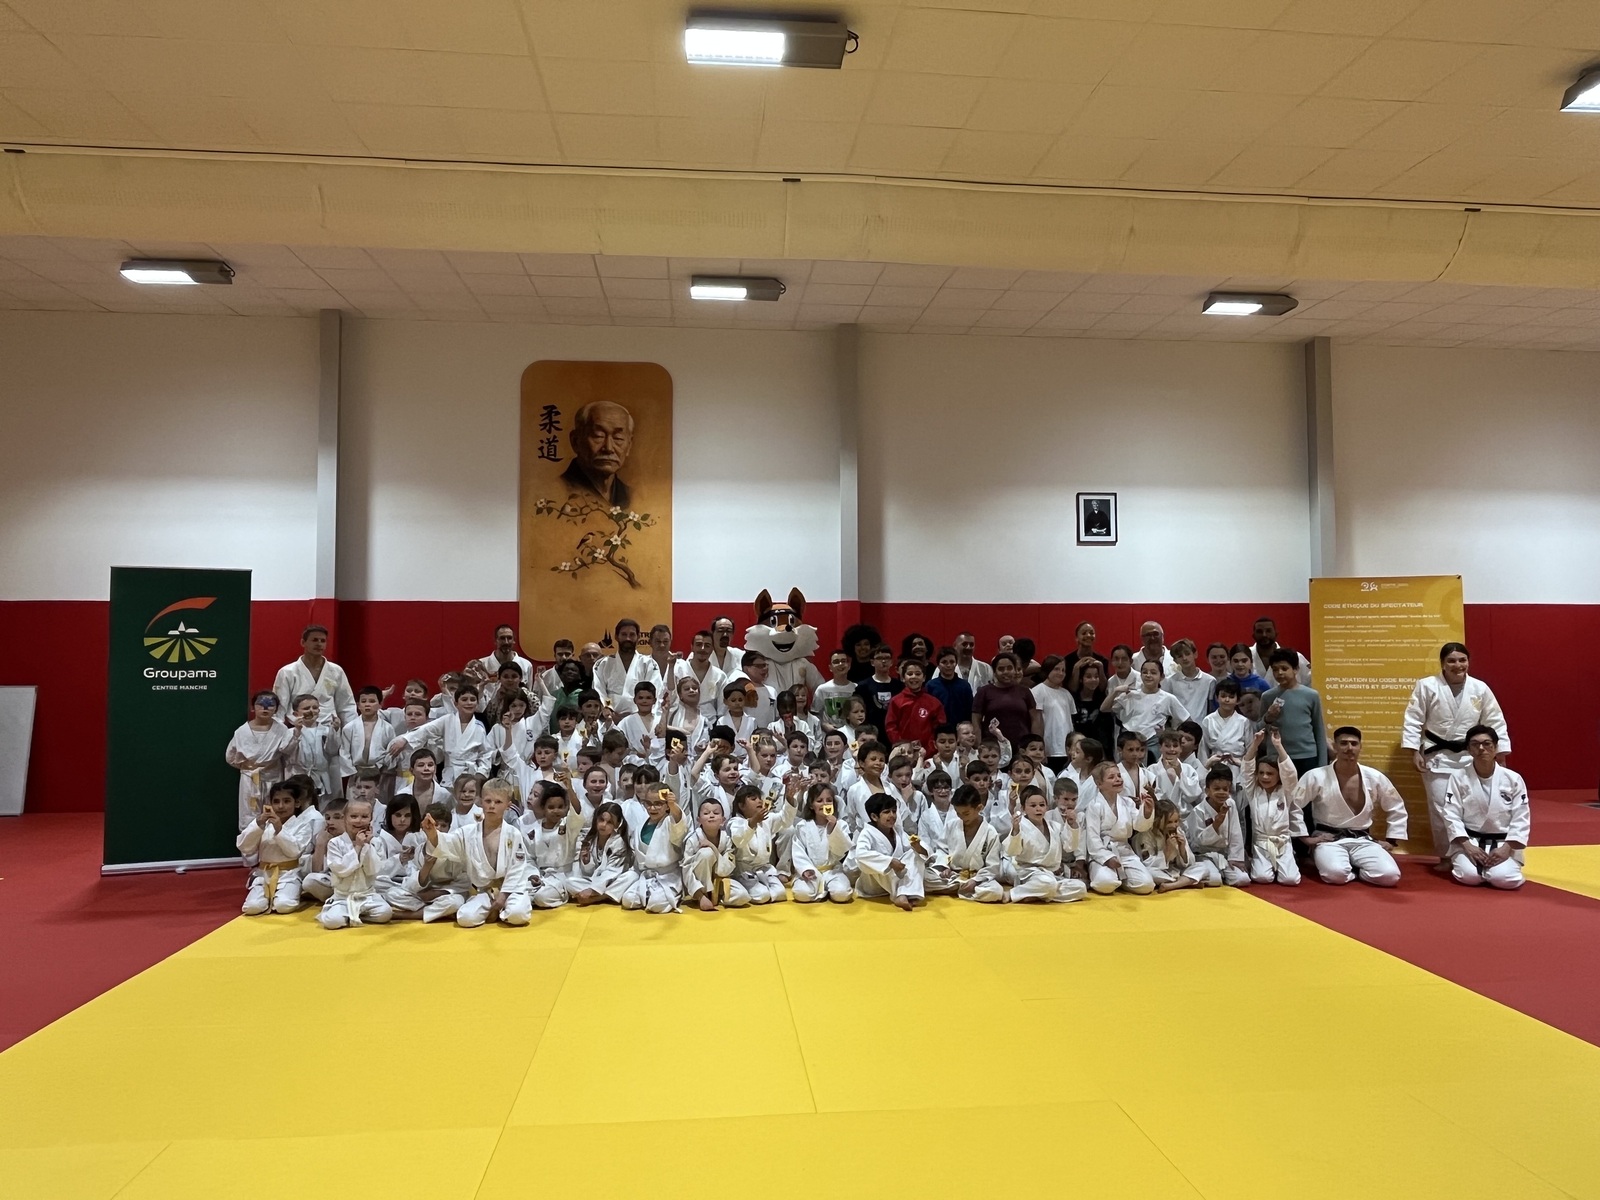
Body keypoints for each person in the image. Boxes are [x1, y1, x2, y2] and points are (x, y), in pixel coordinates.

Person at [1401, 642, 1511, 860]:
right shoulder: (1427, 686)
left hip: (1471, 756)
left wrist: (1500, 753)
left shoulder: (1480, 688)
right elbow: (1413, 718)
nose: (1457, 665)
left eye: (1462, 660)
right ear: (1442, 663)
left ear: (1468, 662)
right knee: (1441, 809)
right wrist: (1414, 750)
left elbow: (1494, 721)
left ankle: (1469, 853)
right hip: (1437, 757)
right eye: (1451, 661)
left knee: (1471, 807)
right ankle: (1445, 855)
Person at [1295, 727, 1406, 887]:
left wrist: (1392, 840)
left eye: (1354, 744)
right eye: (1343, 743)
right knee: (1335, 875)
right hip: (1328, 839)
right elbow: (1293, 806)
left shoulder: (1374, 777)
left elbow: (1396, 806)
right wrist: (1305, 838)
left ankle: (1354, 869)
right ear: (1335, 747)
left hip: (1363, 839)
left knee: (1390, 876)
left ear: (1360, 747)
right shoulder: (1315, 776)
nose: (1349, 748)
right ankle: (1342, 865)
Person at [421, 778, 534, 927]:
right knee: (465, 918)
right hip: (486, 890)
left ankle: (503, 909)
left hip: (511, 889)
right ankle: (496, 909)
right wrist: (432, 834)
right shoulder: (468, 832)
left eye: (498, 802)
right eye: (488, 801)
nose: (492, 806)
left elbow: (517, 868)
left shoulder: (513, 834)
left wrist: (503, 895)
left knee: (517, 914)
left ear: (508, 805)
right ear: (480, 802)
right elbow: (447, 843)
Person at [1441, 725, 1529, 890]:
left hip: (1503, 842)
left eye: (1487, 744)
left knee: (1504, 879)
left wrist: (1506, 849)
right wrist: (1468, 846)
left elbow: (1521, 816)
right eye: (1475, 744)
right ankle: (1474, 865)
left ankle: (1497, 869)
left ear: (1496, 747)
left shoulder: (1513, 779)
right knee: (1469, 877)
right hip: (1469, 841)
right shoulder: (1458, 777)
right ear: (1468, 749)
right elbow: (1451, 814)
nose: (1481, 748)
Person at [236, 781, 319, 915]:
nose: (281, 806)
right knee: (252, 907)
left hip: (289, 874)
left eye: (286, 801)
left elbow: (294, 852)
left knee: (283, 905)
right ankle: (257, 885)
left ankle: (292, 892)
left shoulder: (302, 825)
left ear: (297, 803)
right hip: (264, 874)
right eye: (276, 801)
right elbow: (244, 847)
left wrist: (279, 829)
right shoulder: (263, 823)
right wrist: (258, 825)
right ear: (270, 803)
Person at [389, 683, 490, 785]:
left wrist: (481, 773)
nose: (469, 703)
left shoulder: (479, 727)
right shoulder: (447, 720)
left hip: (470, 775)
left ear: (477, 703)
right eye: (464, 699)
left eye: (472, 700)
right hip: (450, 774)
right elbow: (425, 730)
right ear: (455, 703)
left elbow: (486, 753)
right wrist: (405, 739)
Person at [317, 795, 394, 928]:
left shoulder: (375, 842)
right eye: (353, 816)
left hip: (367, 896)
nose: (359, 821)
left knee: (385, 913)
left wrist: (366, 845)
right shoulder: (335, 843)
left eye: (364, 817)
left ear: (371, 818)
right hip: (343, 897)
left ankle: (354, 915)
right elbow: (341, 870)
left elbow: (372, 870)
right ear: (345, 818)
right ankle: (351, 914)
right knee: (332, 922)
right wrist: (358, 847)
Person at [1082, 762, 1155, 895]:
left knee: (1147, 886)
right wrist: (1107, 858)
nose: (1118, 779)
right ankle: (1113, 877)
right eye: (1111, 777)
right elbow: (1092, 838)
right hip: (1102, 853)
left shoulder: (1128, 802)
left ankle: (1122, 880)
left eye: (1119, 776)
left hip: (1124, 851)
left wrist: (1146, 812)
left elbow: (1140, 827)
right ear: (1099, 784)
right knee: (1105, 884)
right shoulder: (1094, 806)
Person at [1240, 729, 1303, 886]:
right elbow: (1247, 769)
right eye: (1261, 773)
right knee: (1262, 878)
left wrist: (1278, 745)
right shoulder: (1253, 791)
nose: (1265, 777)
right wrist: (1255, 744)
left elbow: (1290, 774)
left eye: (1270, 773)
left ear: (1279, 775)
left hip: (1282, 842)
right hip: (1260, 843)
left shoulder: (1286, 792)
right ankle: (1257, 861)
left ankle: (1291, 857)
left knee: (1290, 880)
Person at [225, 692, 295, 827]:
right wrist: (246, 765)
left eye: (270, 705)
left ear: (276, 709)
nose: (265, 708)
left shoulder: (281, 730)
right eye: (261, 704)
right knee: (249, 812)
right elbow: (230, 756)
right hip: (250, 777)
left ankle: (273, 838)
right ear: (253, 707)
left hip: (273, 776)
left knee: (274, 810)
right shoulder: (241, 731)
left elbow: (288, 751)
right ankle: (249, 839)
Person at [1005, 785, 1085, 903]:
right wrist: (1015, 830)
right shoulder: (1020, 826)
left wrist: (1072, 824)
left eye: (1042, 805)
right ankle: (1013, 894)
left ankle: (1037, 894)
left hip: (1051, 875)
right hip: (1028, 874)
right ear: (1023, 808)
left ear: (1047, 807)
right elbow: (1012, 851)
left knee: (1080, 887)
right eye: (1033, 806)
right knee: (1048, 883)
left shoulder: (1054, 826)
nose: (1038, 809)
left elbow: (1069, 847)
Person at [619, 783, 689, 913]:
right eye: (648, 803)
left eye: (658, 804)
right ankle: (649, 894)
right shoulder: (641, 825)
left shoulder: (670, 822)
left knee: (656, 906)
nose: (652, 808)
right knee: (628, 900)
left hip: (668, 876)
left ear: (667, 805)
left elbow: (679, 823)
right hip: (646, 876)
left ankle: (673, 894)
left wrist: (673, 805)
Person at [272, 625, 356, 729]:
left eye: (323, 641)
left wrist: (351, 730)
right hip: (297, 727)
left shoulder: (336, 671)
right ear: (303, 642)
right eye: (314, 640)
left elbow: (346, 704)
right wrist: (277, 731)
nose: (319, 644)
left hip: (328, 727)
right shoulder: (287, 672)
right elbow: (280, 706)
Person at [1259, 649, 1327, 775]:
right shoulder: (1267, 696)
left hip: (1306, 756)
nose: (1280, 673)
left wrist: (1323, 765)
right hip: (1276, 757)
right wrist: (1268, 718)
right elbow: (1259, 730)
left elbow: (1319, 730)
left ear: (1295, 669)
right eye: (1275, 669)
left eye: (1284, 668)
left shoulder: (1311, 695)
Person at [1102, 660, 1188, 759]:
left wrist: (1168, 734)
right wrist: (1115, 691)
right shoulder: (1130, 695)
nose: (1148, 675)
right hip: (1129, 740)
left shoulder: (1168, 698)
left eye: (1153, 672)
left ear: (1162, 677)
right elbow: (1104, 708)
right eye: (1145, 672)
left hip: (1152, 742)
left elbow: (1186, 720)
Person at [854, 794, 924, 910]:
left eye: (894, 811)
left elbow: (910, 852)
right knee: (881, 862)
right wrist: (890, 862)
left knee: (914, 855)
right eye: (886, 812)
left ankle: (903, 894)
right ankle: (904, 893)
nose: (892, 815)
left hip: (895, 881)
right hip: (875, 885)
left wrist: (918, 848)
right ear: (874, 816)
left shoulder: (898, 830)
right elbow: (860, 855)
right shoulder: (867, 833)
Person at [561, 399, 634, 508]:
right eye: (598, 436)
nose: (609, 448)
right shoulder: (556, 491)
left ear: (629, 445)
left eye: (618, 438)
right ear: (575, 441)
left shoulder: (632, 497)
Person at [791, 783, 853, 903]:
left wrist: (834, 828)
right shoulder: (802, 826)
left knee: (842, 894)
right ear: (811, 805)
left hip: (833, 871)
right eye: (819, 801)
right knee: (801, 894)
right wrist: (805, 869)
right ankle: (823, 888)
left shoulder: (841, 825)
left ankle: (830, 888)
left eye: (829, 800)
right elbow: (798, 851)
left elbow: (842, 851)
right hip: (811, 871)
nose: (825, 804)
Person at [1187, 768, 1249, 887]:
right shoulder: (1198, 811)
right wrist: (1217, 823)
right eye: (1216, 789)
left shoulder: (1230, 804)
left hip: (1224, 854)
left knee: (1243, 879)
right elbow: (1198, 841)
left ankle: (1220, 872)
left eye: (1225, 789)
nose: (1221, 792)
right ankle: (1207, 874)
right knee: (1215, 880)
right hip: (1203, 854)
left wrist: (1235, 858)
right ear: (1207, 791)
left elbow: (1235, 832)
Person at [593, 619, 661, 717]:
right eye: (624, 634)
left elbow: (655, 691)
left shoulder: (648, 664)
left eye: (632, 635)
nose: (628, 638)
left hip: (641, 716)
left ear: (638, 637)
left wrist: (637, 716)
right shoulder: (603, 664)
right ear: (616, 637)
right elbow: (600, 690)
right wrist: (608, 708)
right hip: (610, 717)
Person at [972, 652, 1040, 748]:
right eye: (1001, 669)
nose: (1006, 672)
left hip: (1021, 747)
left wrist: (1035, 744)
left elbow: (1035, 720)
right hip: (994, 748)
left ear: (1015, 670)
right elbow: (976, 720)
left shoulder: (1025, 691)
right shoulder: (984, 692)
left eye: (1009, 668)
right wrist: (978, 744)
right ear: (994, 672)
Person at [886, 659, 946, 756]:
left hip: (928, 753)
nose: (914, 677)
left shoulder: (934, 703)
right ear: (903, 678)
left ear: (924, 678)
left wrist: (929, 749)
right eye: (910, 674)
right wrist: (902, 746)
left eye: (918, 674)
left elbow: (939, 729)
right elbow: (891, 727)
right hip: (903, 753)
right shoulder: (896, 701)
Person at [1030, 655, 1078, 773]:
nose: (1060, 673)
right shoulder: (1038, 691)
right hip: (1050, 750)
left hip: (1066, 750)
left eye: (1063, 670)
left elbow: (1070, 723)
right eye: (1056, 669)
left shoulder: (1066, 693)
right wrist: (1041, 749)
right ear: (1048, 670)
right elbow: (1036, 722)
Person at [852, 645, 903, 735]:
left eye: (887, 658)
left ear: (891, 662)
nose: (883, 661)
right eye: (879, 658)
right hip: (870, 733)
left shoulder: (899, 686)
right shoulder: (862, 686)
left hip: (895, 732)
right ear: (872, 662)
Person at [1249, 616, 1310, 685]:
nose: (1264, 635)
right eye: (1259, 631)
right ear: (1253, 635)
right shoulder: (1244, 656)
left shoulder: (1296, 657)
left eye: (1268, 631)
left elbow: (1309, 682)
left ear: (1276, 633)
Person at [925, 646, 974, 728]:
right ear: (938, 665)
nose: (948, 665)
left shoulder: (965, 686)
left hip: (960, 729)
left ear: (956, 663)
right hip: (938, 729)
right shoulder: (931, 686)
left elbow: (969, 711)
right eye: (944, 662)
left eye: (952, 662)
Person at [473, 625, 534, 689]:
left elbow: (528, 692)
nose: (506, 642)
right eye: (502, 638)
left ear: (514, 640)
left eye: (509, 638)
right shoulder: (481, 666)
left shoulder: (526, 665)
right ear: (495, 640)